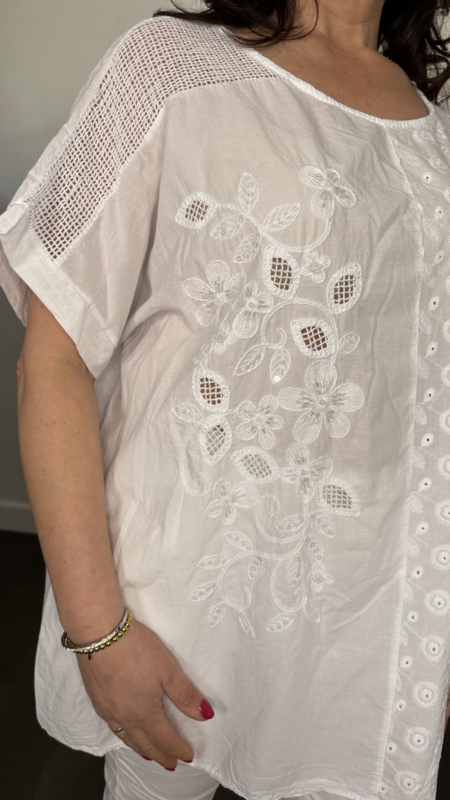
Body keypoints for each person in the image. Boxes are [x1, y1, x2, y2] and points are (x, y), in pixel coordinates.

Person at [1, 0, 450, 798]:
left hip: (372, 625)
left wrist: (431, 631)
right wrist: (98, 632)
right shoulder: (171, 69)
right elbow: (54, 358)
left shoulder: (433, 131)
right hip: (180, 613)